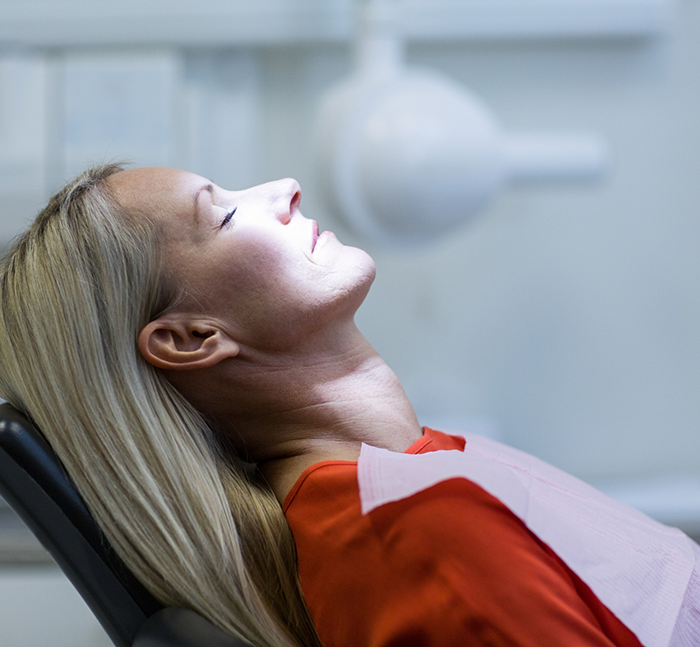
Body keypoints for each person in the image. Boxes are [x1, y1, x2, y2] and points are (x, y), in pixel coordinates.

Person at [0, 164, 695, 647]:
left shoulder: (404, 489)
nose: (287, 188)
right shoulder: (414, 535)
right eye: (228, 212)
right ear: (190, 338)